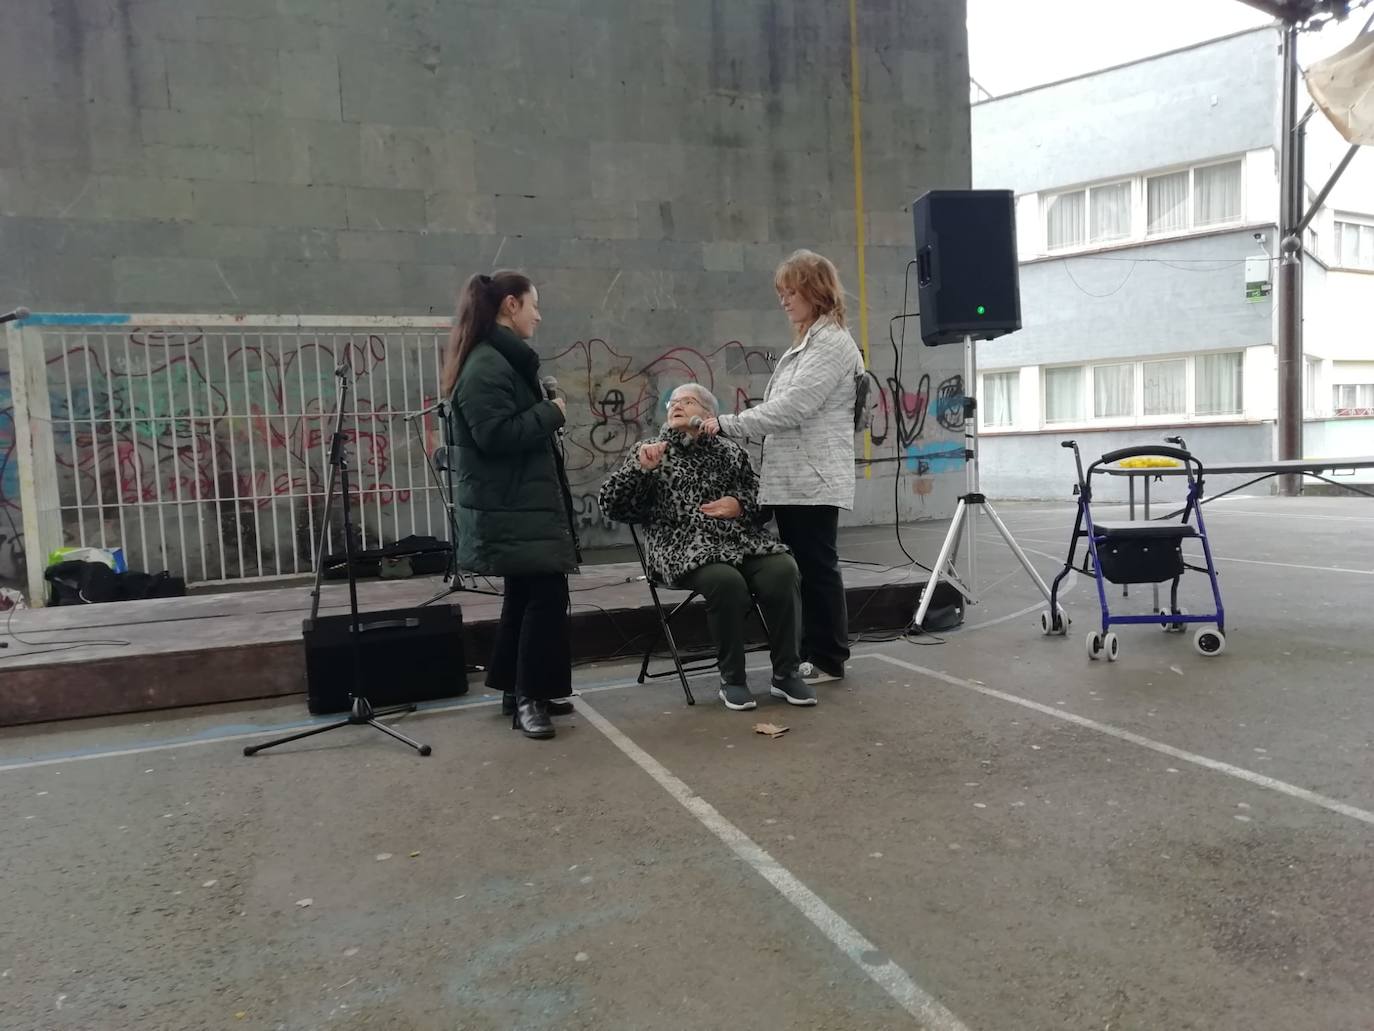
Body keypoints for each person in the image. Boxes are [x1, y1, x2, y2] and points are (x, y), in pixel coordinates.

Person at [701, 250, 863, 687]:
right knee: (807, 569)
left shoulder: (830, 344)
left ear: (816, 291)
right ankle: (812, 651)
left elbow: (792, 408)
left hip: (811, 479)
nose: (784, 300)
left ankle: (828, 657)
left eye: (792, 291)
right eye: (782, 292)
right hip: (795, 478)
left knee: (816, 569)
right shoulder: (809, 342)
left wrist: (727, 424)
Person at [599, 383, 814, 710]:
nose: (677, 406)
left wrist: (739, 505)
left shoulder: (730, 452)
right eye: (673, 402)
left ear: (709, 414)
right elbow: (613, 507)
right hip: (680, 546)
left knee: (783, 569)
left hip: (738, 541)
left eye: (688, 401)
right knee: (726, 581)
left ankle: (786, 673)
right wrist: (639, 470)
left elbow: (763, 503)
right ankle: (733, 679)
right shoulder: (652, 450)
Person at [441, 271, 579, 740]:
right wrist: (552, 413)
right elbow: (494, 436)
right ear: (510, 305)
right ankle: (530, 697)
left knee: (526, 595)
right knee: (545, 595)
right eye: (533, 304)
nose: (539, 315)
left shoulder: (498, 360)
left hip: (517, 503)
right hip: (511, 506)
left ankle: (513, 687)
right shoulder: (486, 365)